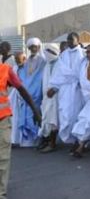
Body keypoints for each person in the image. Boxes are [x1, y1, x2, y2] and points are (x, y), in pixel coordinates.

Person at [0, 62, 41, 199]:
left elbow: (21, 88)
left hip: (2, 120)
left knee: (2, 159)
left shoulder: (5, 69)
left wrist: (35, 109)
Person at [47, 32, 85, 144]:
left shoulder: (83, 54)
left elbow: (83, 72)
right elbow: (59, 73)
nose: (69, 42)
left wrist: (80, 83)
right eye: (68, 40)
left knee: (78, 114)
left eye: (71, 39)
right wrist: (54, 87)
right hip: (65, 89)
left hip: (77, 89)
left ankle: (79, 140)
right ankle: (69, 138)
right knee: (65, 113)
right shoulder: (63, 55)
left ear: (77, 40)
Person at [16, 38, 46, 147]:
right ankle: (28, 140)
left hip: (37, 92)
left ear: (38, 47)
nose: (33, 49)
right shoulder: (27, 61)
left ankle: (37, 139)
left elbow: (40, 76)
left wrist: (34, 88)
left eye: (35, 47)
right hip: (27, 92)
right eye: (31, 47)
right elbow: (24, 75)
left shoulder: (42, 60)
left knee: (34, 115)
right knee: (26, 116)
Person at [38, 43, 61, 153]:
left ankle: (52, 144)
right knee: (47, 119)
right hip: (47, 97)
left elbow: (63, 79)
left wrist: (55, 89)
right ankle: (47, 141)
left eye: (49, 51)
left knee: (53, 120)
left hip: (56, 97)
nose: (46, 54)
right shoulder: (47, 65)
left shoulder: (60, 64)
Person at [10, 52, 26, 145]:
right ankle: (15, 139)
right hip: (15, 95)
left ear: (24, 59)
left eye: (18, 59)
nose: (17, 61)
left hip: (26, 94)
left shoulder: (28, 67)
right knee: (14, 118)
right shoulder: (14, 68)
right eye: (16, 59)